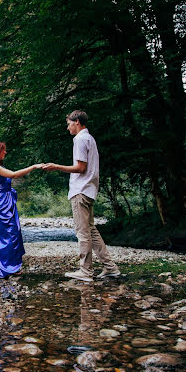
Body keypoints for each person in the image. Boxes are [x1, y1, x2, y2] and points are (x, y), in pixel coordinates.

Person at [42, 110, 120, 282]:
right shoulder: (90, 138)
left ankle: (85, 271)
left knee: (82, 232)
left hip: (80, 190)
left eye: (69, 123)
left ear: (77, 122)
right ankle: (110, 267)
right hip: (90, 190)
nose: (67, 127)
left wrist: (56, 166)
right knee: (91, 230)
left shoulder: (79, 139)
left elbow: (80, 168)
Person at [0, 141, 42, 280]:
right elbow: (14, 175)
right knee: (4, 235)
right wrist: (33, 166)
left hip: (7, 201)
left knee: (13, 233)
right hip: (0, 203)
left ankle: (11, 266)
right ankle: (1, 267)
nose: (5, 153)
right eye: (3, 150)